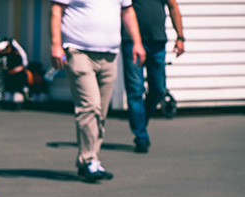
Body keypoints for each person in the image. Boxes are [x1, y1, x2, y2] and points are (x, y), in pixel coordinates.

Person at [50, 0, 146, 182]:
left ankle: (90, 160)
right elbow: (56, 11)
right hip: (78, 53)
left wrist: (137, 42)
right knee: (90, 106)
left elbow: (128, 12)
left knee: (101, 111)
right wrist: (56, 45)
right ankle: (89, 160)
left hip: (110, 54)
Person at [122, 0, 185, 153]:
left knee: (158, 89)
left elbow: (173, 7)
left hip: (157, 42)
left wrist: (180, 37)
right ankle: (141, 136)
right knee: (135, 91)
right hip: (132, 42)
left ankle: (141, 121)